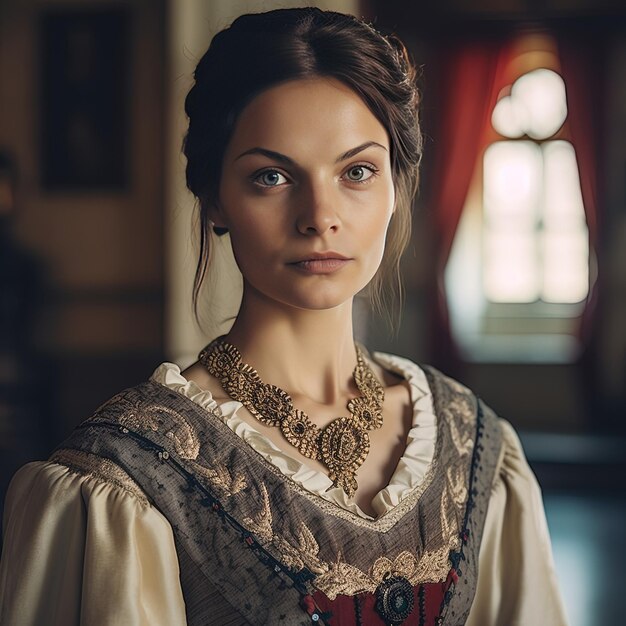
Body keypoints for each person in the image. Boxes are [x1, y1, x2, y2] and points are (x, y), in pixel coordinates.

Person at [0, 8, 567, 626]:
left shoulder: (474, 444)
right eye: (271, 176)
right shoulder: (124, 476)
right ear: (215, 195)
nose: (320, 215)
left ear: (395, 188)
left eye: (357, 171)